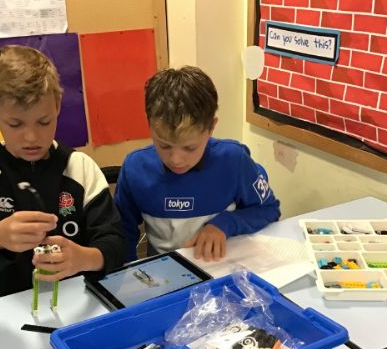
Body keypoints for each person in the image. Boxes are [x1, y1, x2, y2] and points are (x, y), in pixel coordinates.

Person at [0, 45, 125, 303]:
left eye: (43, 121)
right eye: (15, 124)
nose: (31, 137)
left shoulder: (81, 168)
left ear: (58, 105)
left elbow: (116, 244)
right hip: (5, 311)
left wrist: (84, 258)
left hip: (79, 303)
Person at [115, 66, 280, 263]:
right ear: (148, 123)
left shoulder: (234, 160)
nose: (176, 159)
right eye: (164, 145)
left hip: (221, 268)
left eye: (190, 148)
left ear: (211, 127)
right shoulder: (134, 168)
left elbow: (269, 210)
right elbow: (122, 233)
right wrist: (127, 271)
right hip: (163, 272)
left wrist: (224, 224)